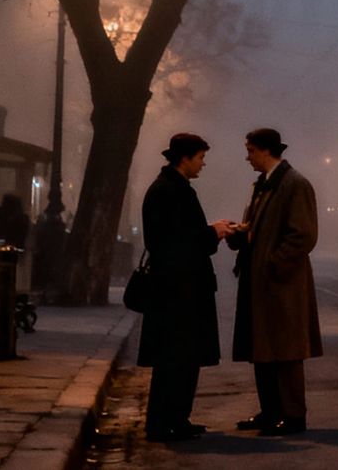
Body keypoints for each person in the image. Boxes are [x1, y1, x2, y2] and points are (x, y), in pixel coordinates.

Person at [225, 128, 322, 436]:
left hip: (282, 283)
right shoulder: (264, 185)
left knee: (286, 351)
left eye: (251, 150)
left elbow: (303, 234)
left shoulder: (294, 184)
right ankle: (271, 411)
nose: (247, 156)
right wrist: (241, 234)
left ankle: (292, 415)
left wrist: (272, 262)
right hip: (263, 282)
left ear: (266, 151)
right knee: (263, 349)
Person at [138, 133, 233, 443]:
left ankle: (175, 419)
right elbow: (177, 242)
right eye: (201, 157)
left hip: (180, 288)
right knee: (176, 358)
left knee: (181, 358)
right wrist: (212, 232)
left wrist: (211, 230)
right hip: (179, 290)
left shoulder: (170, 189)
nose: (203, 164)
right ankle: (166, 422)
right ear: (186, 158)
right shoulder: (170, 191)